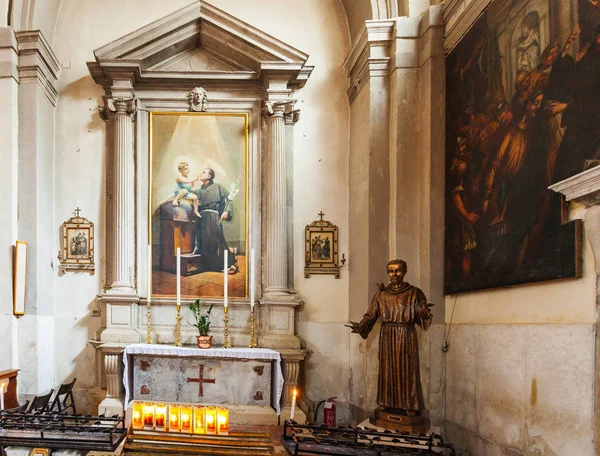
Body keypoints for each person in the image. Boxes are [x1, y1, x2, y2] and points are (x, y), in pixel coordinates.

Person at [347, 260, 433, 415]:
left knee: (408, 371)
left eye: (398, 271)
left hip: (406, 336)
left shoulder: (414, 293)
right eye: (391, 271)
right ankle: (386, 403)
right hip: (387, 336)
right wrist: (362, 326)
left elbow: (423, 317)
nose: (394, 274)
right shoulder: (381, 294)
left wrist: (424, 314)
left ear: (405, 271)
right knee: (387, 371)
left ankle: (410, 405)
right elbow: (371, 315)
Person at [192, 168, 238, 274]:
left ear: (209, 176)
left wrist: (226, 211)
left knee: (215, 239)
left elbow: (229, 199)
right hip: (202, 217)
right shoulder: (199, 191)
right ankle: (213, 264)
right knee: (204, 241)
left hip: (213, 215)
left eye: (203, 172)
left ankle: (228, 263)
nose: (200, 173)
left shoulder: (218, 187)